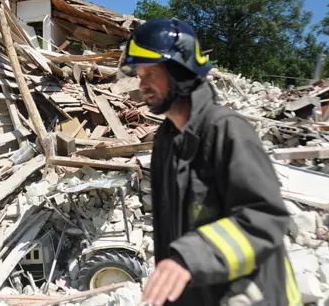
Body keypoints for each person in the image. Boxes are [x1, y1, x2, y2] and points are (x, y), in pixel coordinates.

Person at [119, 19, 301, 306]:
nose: (141, 85)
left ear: (180, 71)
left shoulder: (228, 131)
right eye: (139, 74)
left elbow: (265, 218)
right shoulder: (165, 143)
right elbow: (171, 237)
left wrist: (189, 257)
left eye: (150, 73)